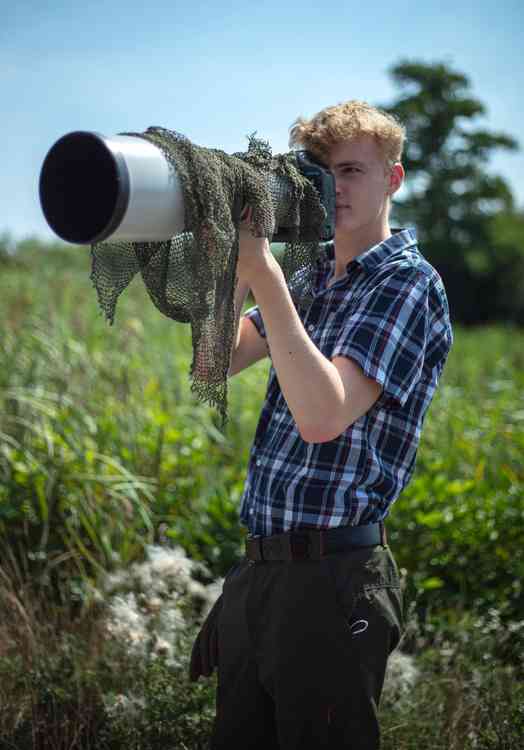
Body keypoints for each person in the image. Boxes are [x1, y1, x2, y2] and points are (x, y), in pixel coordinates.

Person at [189, 100, 453, 750]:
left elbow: (323, 414)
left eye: (354, 170)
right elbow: (211, 361)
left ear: (392, 179)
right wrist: (234, 262)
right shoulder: (309, 279)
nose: (336, 188)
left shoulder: (407, 284)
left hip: (333, 582)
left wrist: (267, 277)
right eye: (322, 173)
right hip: (262, 572)